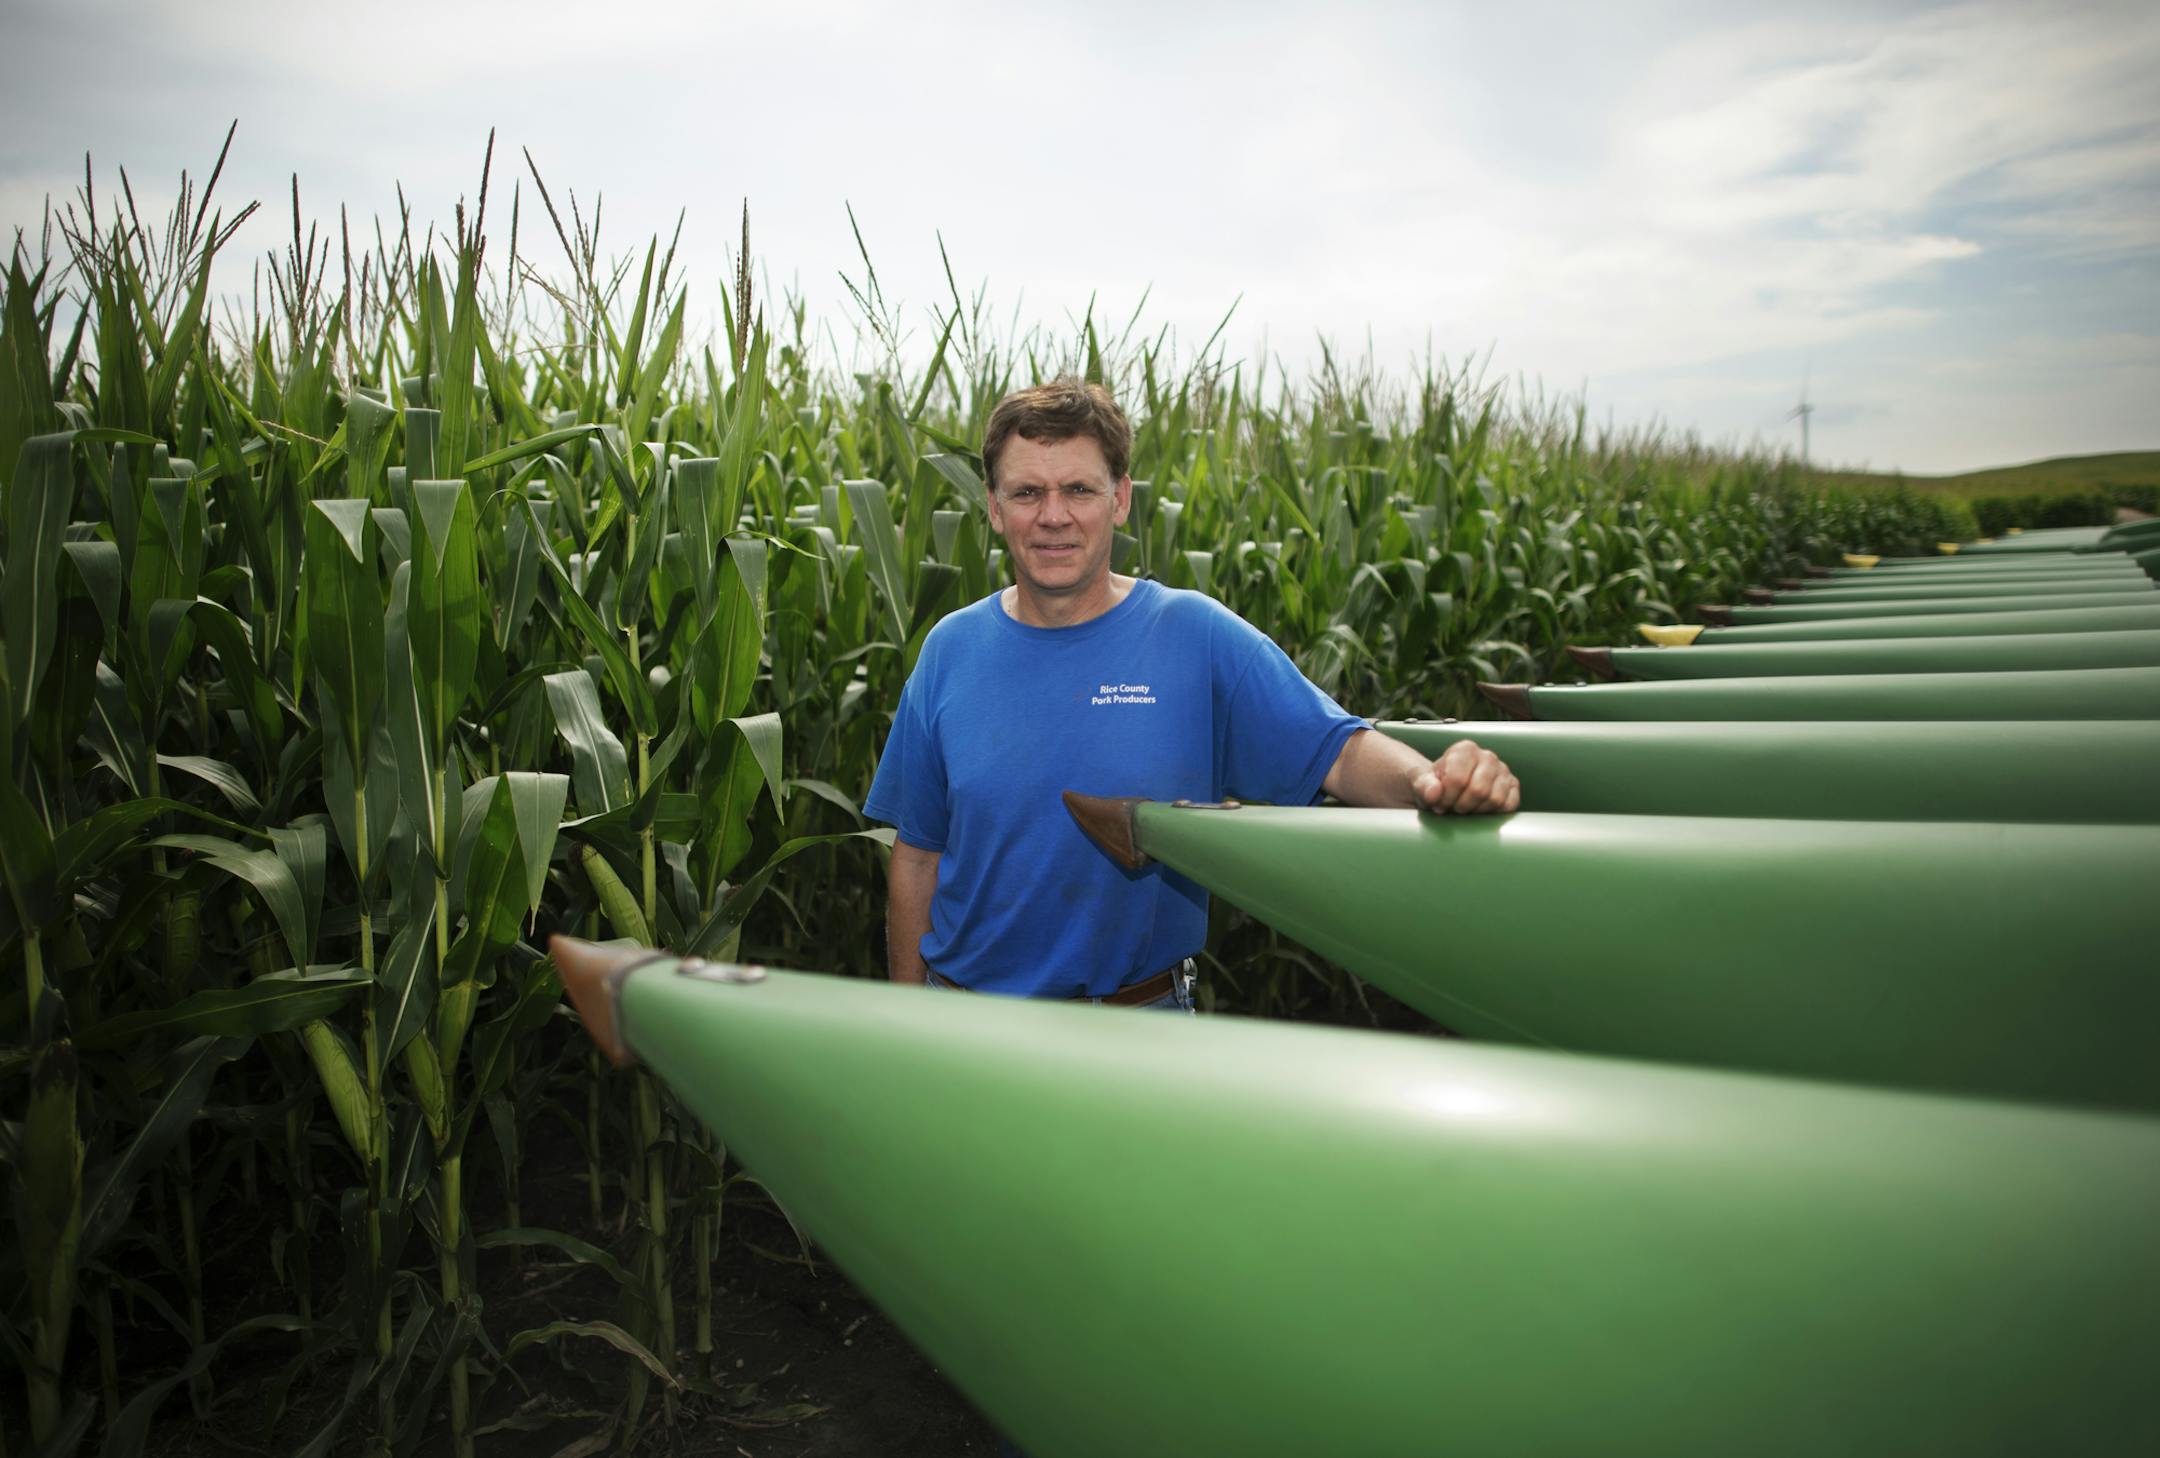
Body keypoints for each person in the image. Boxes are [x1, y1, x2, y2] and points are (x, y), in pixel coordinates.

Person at [863, 377, 1519, 1009]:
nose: (1053, 516)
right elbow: (919, 855)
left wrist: (1436, 781)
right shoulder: (950, 649)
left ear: (1120, 499)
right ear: (994, 506)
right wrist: (906, 1017)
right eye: (1028, 492)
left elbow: (1339, 752)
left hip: (1134, 1027)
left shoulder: (1192, 635)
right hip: (967, 1024)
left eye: (1079, 490)